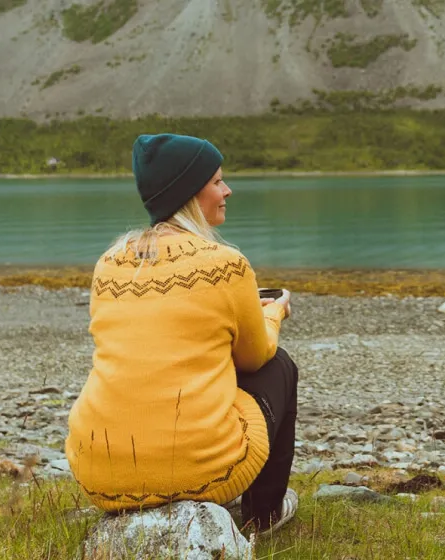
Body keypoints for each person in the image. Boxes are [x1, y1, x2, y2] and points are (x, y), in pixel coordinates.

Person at [65, 133, 300, 535]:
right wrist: (274, 313)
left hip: (97, 471)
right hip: (202, 473)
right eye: (216, 181)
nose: (228, 190)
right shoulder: (224, 265)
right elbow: (254, 356)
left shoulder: (108, 264)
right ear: (190, 192)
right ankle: (264, 515)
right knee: (279, 366)